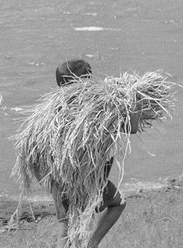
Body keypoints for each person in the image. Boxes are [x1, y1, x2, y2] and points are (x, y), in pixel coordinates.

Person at [51, 59, 141, 248]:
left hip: (59, 176)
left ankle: (87, 245)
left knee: (66, 224)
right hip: (88, 178)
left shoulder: (54, 109)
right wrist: (130, 94)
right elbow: (132, 127)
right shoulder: (98, 108)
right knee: (116, 204)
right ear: (84, 81)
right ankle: (91, 244)